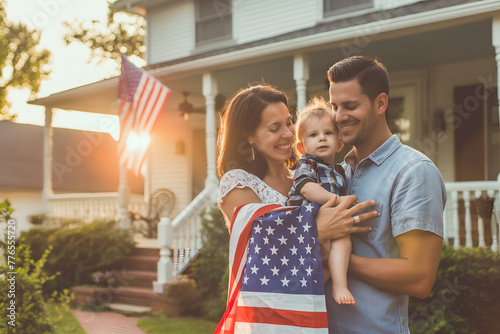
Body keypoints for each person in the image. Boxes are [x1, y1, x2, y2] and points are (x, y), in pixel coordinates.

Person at [215, 84, 378, 333]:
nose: (289, 134)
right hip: (271, 315)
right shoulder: (237, 182)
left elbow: (313, 251)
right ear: (249, 135)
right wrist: (320, 229)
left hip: (325, 311)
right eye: (274, 128)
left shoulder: (306, 180)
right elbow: (264, 251)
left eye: (289, 122)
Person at [325, 55, 446, 333]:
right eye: (334, 106)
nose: (339, 116)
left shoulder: (414, 172)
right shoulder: (337, 174)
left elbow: (419, 278)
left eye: (350, 106)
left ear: (380, 103)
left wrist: (333, 256)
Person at [287, 97, 355, 305]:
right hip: (307, 222)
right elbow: (305, 187)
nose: (322, 139)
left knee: (344, 242)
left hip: (329, 221)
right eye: (314, 135)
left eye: (328, 133)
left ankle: (339, 285)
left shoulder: (340, 170)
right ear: (301, 147)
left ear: (339, 143)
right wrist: (337, 200)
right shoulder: (308, 163)